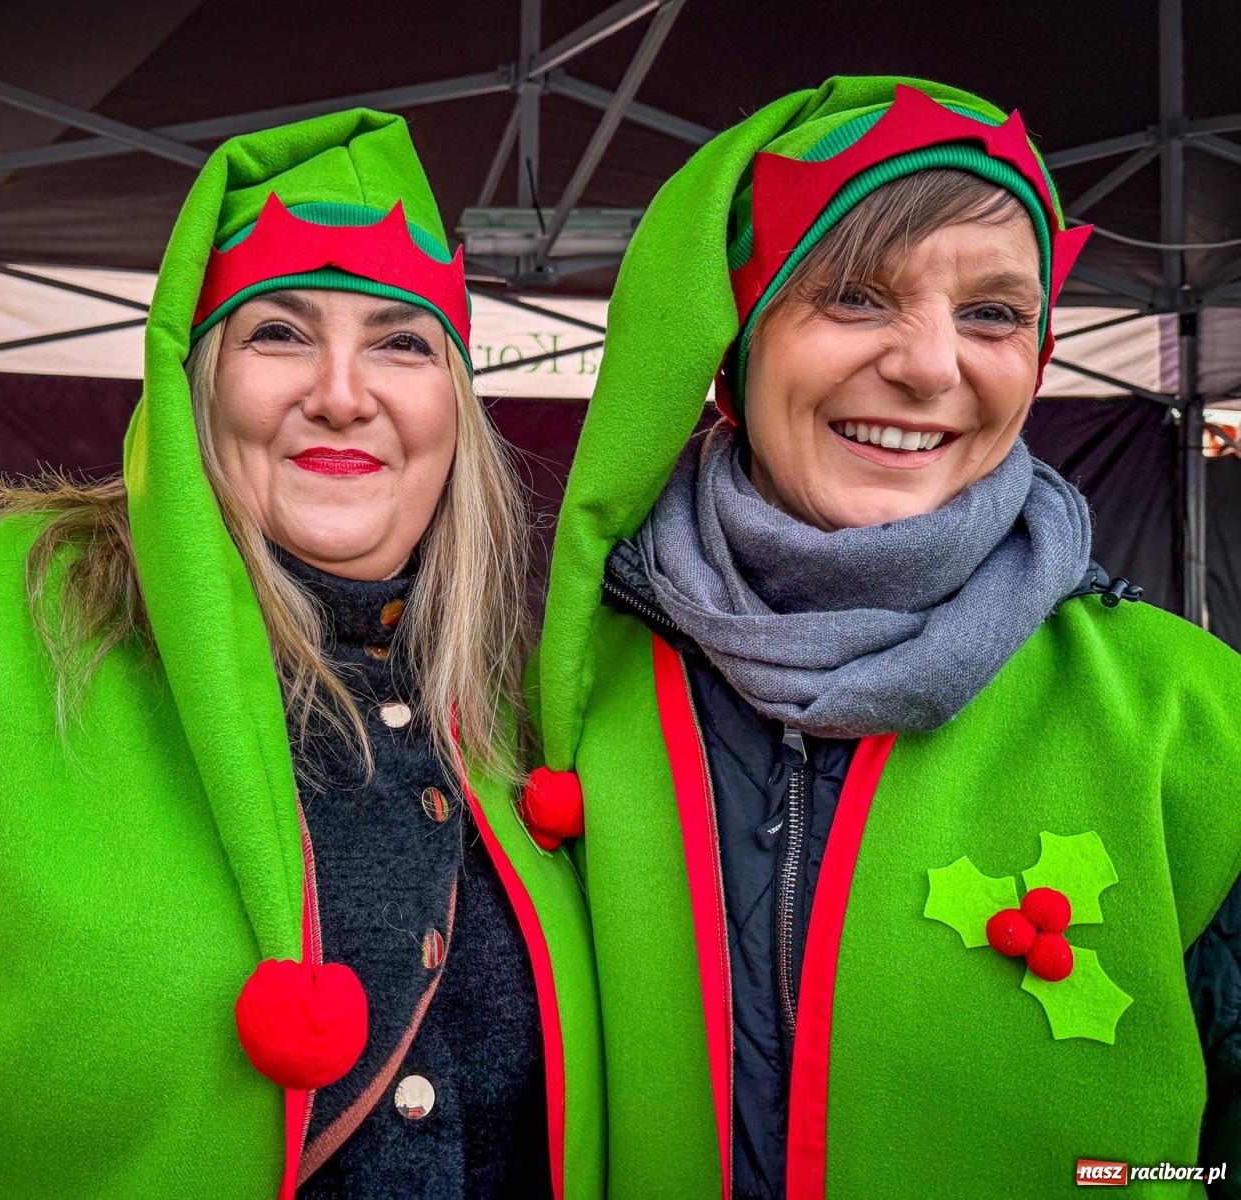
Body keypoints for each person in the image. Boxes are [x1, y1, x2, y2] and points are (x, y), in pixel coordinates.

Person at [0, 109, 603, 1198]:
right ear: (194, 379)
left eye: (402, 342)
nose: (343, 393)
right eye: (277, 333)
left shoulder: (511, 713)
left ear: (455, 408)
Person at [523, 77, 1241, 1197]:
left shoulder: (1192, 717)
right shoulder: (549, 698)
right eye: (856, 296)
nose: (930, 365)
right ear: (731, 351)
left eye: (993, 314)